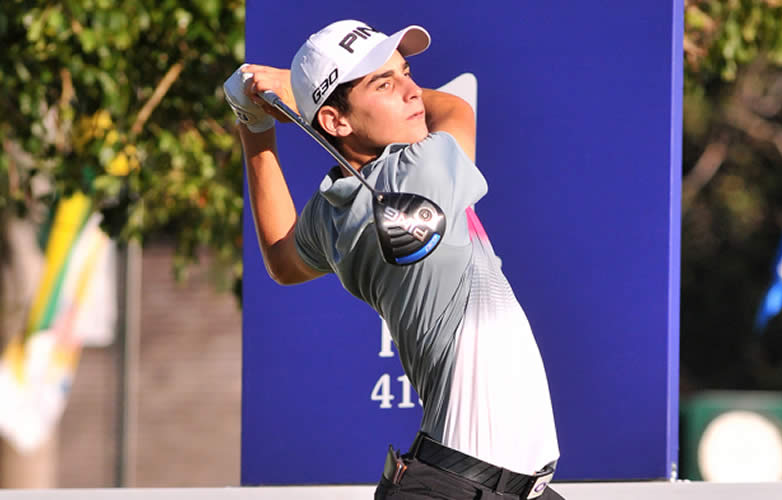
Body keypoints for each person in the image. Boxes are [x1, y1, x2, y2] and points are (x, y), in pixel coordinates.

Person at [223, 19, 562, 500]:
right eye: (385, 83)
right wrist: (291, 94)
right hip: (460, 488)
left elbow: (281, 256)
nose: (412, 92)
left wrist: (254, 126)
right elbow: (457, 109)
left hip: (478, 486)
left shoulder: (334, 211)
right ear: (335, 122)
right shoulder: (419, 171)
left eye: (406, 72)